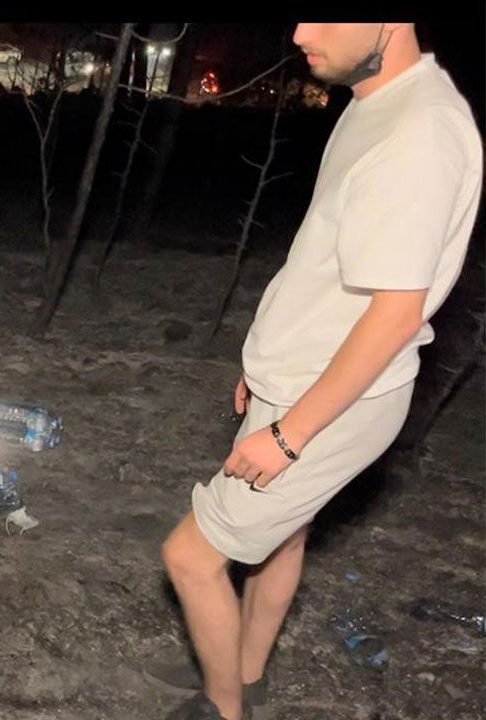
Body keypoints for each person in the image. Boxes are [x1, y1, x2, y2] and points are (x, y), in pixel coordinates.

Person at [149, 23, 482, 720]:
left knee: (190, 555)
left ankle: (223, 707)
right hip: (300, 376)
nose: (301, 31)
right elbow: (326, 270)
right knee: (282, 536)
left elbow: (392, 317)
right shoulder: (375, 101)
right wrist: (264, 360)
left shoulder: (419, 135)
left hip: (330, 403)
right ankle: (244, 672)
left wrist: (290, 433)